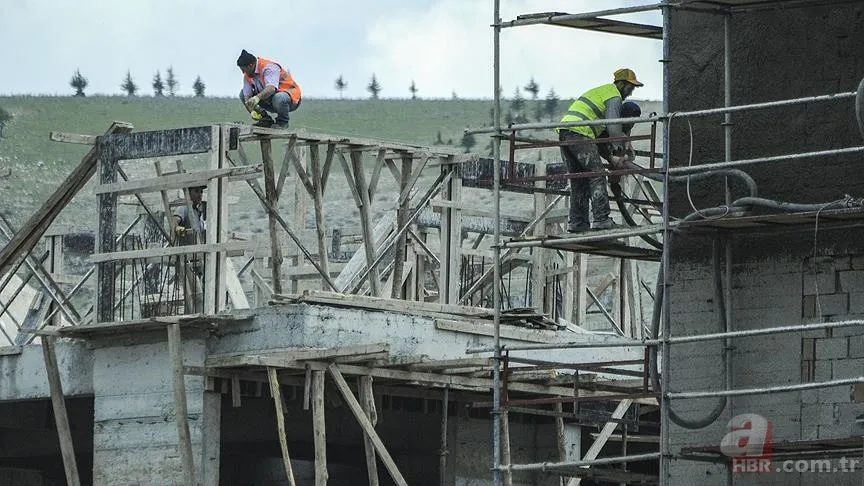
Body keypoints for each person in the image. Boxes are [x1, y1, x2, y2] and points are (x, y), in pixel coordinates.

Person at [558, 68, 643, 232]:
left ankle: (577, 223)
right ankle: (601, 219)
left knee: (579, 179)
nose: (631, 91)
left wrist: (611, 158)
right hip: (580, 132)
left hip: (566, 133)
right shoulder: (614, 96)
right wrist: (620, 153)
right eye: (630, 87)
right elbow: (613, 127)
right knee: (597, 175)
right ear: (620, 84)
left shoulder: (601, 94)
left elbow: (600, 140)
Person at [237, 49, 302, 128]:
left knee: (279, 97)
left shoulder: (269, 67)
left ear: (250, 66)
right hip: (270, 100)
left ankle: (282, 123)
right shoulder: (247, 76)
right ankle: (265, 120)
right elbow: (247, 96)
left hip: (290, 99)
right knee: (242, 94)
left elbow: (271, 88)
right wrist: (252, 110)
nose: (243, 73)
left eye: (243, 70)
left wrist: (256, 98)